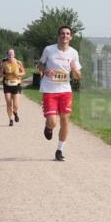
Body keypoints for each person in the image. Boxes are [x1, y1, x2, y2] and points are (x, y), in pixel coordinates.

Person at [38, 26, 82, 161]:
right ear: (58, 36)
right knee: (53, 122)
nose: (65, 35)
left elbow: (79, 76)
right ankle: (48, 126)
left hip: (65, 91)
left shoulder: (73, 53)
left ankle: (59, 151)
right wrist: (45, 71)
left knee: (65, 120)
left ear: (71, 37)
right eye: (62, 33)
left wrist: (74, 70)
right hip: (50, 90)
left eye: (67, 33)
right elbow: (40, 65)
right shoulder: (49, 50)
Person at [1, 49, 26, 127]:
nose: (10, 55)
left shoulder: (18, 62)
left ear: (14, 55)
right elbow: (0, 74)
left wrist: (18, 74)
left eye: (12, 54)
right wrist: (6, 73)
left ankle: (15, 112)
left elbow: (23, 72)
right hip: (7, 84)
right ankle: (10, 119)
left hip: (17, 84)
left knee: (15, 105)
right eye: (9, 54)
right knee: (9, 104)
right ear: (7, 55)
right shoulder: (4, 63)